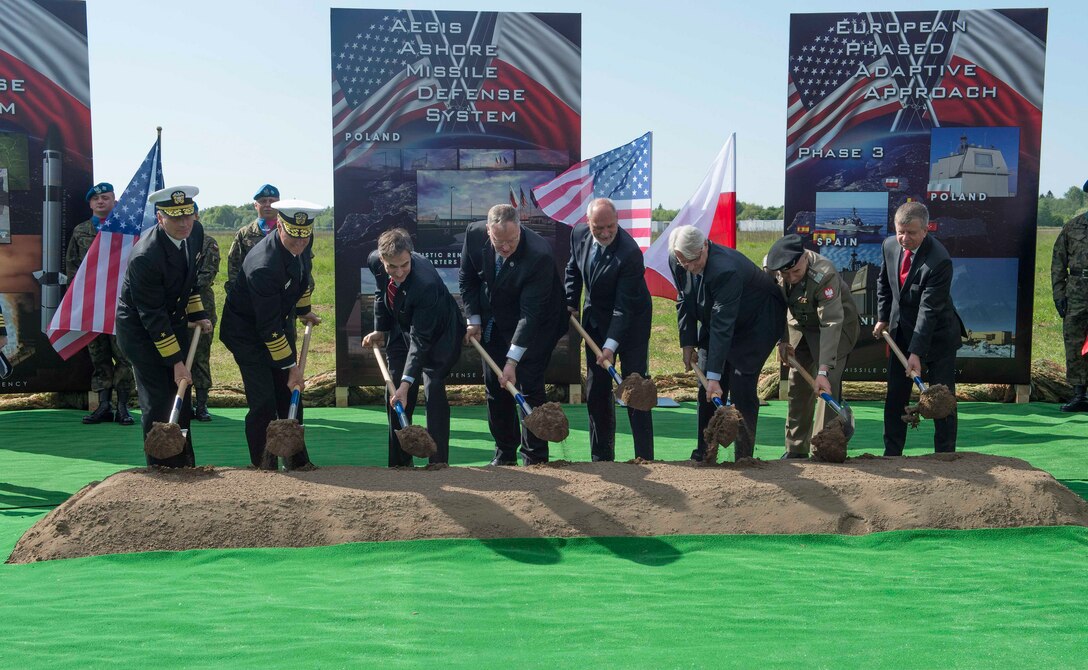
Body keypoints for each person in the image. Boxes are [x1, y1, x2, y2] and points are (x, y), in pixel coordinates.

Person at [459, 204, 567, 466]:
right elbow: (468, 279)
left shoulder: (539, 254)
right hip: (495, 318)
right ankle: (505, 454)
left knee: (528, 385)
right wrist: (473, 320)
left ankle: (535, 457)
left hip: (538, 324)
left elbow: (529, 315)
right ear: (487, 231)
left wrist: (512, 361)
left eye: (512, 240)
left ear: (520, 229)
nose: (505, 247)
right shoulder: (473, 235)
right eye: (498, 241)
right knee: (496, 387)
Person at [220, 199, 322, 471]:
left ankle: (298, 461)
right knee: (264, 400)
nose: (300, 243)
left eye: (305, 236)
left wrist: (304, 311)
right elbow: (268, 329)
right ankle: (264, 464)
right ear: (279, 227)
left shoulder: (302, 240)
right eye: (293, 236)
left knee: (290, 395)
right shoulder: (264, 266)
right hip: (247, 333)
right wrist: (291, 367)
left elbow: (302, 277)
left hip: (275, 322)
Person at [669, 225, 785, 461]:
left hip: (757, 322)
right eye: (685, 263)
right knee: (706, 391)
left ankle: (743, 455)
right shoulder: (677, 259)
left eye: (694, 261)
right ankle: (705, 451)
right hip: (716, 317)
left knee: (741, 383)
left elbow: (723, 326)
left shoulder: (725, 270)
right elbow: (684, 299)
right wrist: (688, 342)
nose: (690, 267)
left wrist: (714, 377)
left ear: (705, 246)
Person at [115, 185, 213, 467]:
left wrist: (197, 313)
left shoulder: (195, 232)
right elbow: (152, 316)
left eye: (187, 215)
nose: (183, 223)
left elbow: (189, 280)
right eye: (174, 218)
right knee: (159, 399)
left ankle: (183, 462)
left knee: (181, 395)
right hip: (142, 331)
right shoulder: (146, 256)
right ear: (160, 218)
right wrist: (176, 362)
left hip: (173, 321)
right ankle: (160, 468)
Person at [362, 228, 465, 466]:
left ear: (411, 254)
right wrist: (381, 328)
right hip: (401, 322)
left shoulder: (425, 284)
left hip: (439, 332)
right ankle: (399, 463)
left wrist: (408, 384)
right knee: (395, 391)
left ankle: (437, 461)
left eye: (404, 265)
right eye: (392, 267)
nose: (398, 273)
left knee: (433, 384)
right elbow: (381, 291)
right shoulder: (375, 261)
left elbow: (420, 341)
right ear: (382, 259)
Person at [565, 197, 654, 461]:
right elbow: (572, 269)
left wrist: (610, 346)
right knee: (596, 390)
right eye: (598, 228)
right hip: (595, 321)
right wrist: (571, 302)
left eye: (610, 228)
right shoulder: (578, 234)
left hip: (631, 323)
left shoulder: (629, 253)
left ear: (618, 222)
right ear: (588, 224)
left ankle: (644, 456)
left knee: (635, 388)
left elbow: (623, 308)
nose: (605, 233)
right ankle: (601, 457)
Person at [874, 201, 963, 455]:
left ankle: (944, 455)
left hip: (937, 338)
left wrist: (916, 353)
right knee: (895, 398)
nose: (904, 238)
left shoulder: (939, 260)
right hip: (901, 333)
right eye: (900, 231)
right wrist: (883, 318)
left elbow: (929, 310)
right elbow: (884, 283)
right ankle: (892, 455)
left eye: (911, 233)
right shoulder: (889, 246)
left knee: (941, 399)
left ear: (926, 230)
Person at [765, 234, 860, 458]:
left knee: (827, 386)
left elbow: (830, 322)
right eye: (785, 274)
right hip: (800, 325)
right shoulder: (772, 267)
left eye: (796, 272)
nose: (791, 278)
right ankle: (796, 449)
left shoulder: (824, 274)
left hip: (835, 328)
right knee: (798, 385)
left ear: (805, 258)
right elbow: (774, 304)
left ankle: (824, 447)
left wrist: (824, 370)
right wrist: (783, 340)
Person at [65, 182, 136, 425]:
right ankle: (104, 406)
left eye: (105, 198)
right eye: (96, 199)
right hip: (92, 306)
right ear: (90, 204)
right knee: (99, 357)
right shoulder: (81, 231)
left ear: (115, 202)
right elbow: (73, 267)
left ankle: (123, 407)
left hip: (119, 305)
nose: (100, 202)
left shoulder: (125, 230)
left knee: (125, 358)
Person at [1051, 179, 1088, 412]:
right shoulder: (1073, 227)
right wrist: (1059, 294)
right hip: (1077, 291)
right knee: (1074, 341)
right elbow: (1058, 263)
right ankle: (1079, 394)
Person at [191, 206, 220, 421]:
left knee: (200, 356)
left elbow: (207, 275)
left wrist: (179, 286)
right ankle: (180, 403)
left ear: (196, 216)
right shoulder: (167, 243)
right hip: (173, 307)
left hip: (201, 305)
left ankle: (201, 404)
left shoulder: (208, 243)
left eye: (188, 214)